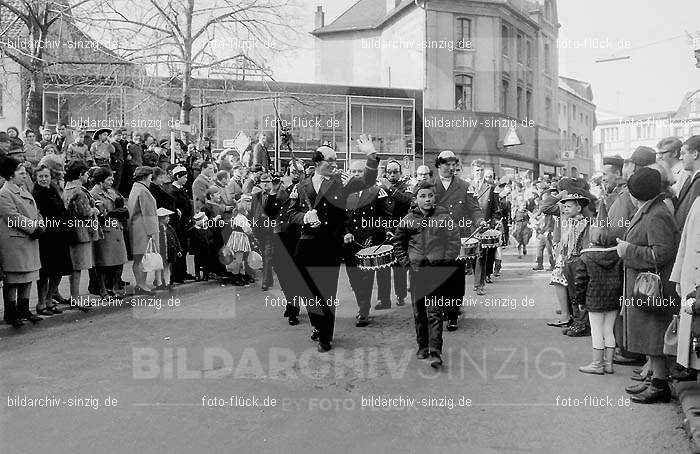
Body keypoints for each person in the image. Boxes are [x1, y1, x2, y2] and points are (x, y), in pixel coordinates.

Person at [287, 135, 380, 352]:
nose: (335, 165)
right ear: (318, 161)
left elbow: (368, 180)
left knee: (327, 293)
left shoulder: (341, 184)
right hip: (307, 245)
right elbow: (290, 214)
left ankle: (325, 336)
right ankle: (317, 325)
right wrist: (305, 217)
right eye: (331, 160)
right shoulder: (302, 186)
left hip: (329, 247)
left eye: (336, 161)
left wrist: (371, 155)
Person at [616, 167, 680, 403]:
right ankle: (653, 377)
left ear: (636, 194)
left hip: (653, 287)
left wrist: (627, 250)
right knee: (649, 334)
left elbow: (662, 252)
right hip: (646, 285)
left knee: (654, 335)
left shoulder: (657, 214)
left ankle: (659, 385)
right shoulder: (651, 209)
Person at [393, 181, 461, 369]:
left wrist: (444, 261)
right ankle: (422, 346)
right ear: (416, 199)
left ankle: (435, 351)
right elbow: (398, 242)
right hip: (416, 272)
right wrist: (406, 262)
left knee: (435, 312)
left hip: (436, 272)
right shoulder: (408, 219)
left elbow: (454, 241)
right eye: (422, 196)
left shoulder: (444, 217)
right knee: (419, 311)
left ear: (435, 197)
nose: (427, 199)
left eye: (430, 195)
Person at [433, 150, 484, 329]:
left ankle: (453, 313)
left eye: (453, 164)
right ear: (439, 164)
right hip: (435, 240)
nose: (451, 167)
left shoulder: (464, 186)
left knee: (455, 276)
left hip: (458, 238)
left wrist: (480, 220)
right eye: (447, 164)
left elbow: (474, 209)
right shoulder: (429, 185)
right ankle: (439, 309)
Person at [575, 205, 624, 375]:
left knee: (597, 331)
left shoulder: (586, 256)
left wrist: (580, 301)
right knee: (608, 330)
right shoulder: (618, 255)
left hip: (594, 299)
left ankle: (597, 364)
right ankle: (609, 364)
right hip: (613, 298)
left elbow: (580, 281)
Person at [0, 157, 44, 326]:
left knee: (28, 276)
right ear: (11, 175)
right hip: (15, 242)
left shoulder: (22, 189)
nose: (25, 176)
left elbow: (35, 210)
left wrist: (40, 222)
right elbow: (12, 217)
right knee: (13, 280)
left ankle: (24, 309)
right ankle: (11, 313)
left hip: (28, 240)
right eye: (21, 173)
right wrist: (35, 228)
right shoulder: (4, 193)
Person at [343, 161, 386, 326]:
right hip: (349, 241)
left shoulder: (376, 191)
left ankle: (363, 310)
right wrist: (345, 232)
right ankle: (362, 303)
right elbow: (338, 217)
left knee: (366, 276)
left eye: (359, 171)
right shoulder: (343, 193)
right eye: (352, 171)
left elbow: (385, 216)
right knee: (353, 277)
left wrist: (376, 237)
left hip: (369, 241)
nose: (356, 174)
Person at [32, 165, 71, 315]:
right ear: (36, 177)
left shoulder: (53, 189)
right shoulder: (35, 193)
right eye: (40, 176)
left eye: (46, 176)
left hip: (60, 235)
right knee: (45, 272)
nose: (43, 179)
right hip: (47, 237)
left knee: (59, 269)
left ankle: (50, 298)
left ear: (50, 177)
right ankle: (41, 303)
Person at [63, 161, 101, 310]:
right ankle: (75, 297)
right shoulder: (78, 190)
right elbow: (85, 212)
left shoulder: (67, 188)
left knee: (75, 266)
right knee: (77, 267)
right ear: (80, 174)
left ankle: (74, 296)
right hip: (81, 231)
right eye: (85, 173)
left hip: (73, 229)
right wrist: (95, 210)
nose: (87, 176)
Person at [375, 160, 412, 309]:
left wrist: (390, 188)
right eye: (389, 172)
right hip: (383, 231)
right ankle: (383, 299)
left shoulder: (406, 187)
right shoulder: (379, 188)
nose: (391, 174)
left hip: (401, 230)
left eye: (395, 171)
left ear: (400, 173)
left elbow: (407, 201)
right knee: (382, 267)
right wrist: (385, 229)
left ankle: (400, 295)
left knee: (399, 266)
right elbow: (376, 211)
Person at [90, 167, 129, 299]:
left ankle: (113, 287)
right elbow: (99, 212)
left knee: (119, 261)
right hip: (105, 230)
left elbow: (122, 204)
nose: (112, 181)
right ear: (101, 181)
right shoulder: (94, 194)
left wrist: (122, 210)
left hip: (117, 228)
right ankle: (103, 289)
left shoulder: (112, 192)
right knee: (103, 262)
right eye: (109, 179)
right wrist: (110, 213)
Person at [127, 166, 159, 295]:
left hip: (136, 226)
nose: (151, 180)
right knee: (142, 258)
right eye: (150, 178)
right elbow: (149, 213)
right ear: (145, 177)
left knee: (138, 258)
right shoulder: (143, 191)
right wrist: (153, 232)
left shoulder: (136, 188)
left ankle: (141, 284)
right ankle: (141, 285)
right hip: (143, 227)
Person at [470, 159, 501, 289]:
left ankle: (479, 284)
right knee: (471, 255)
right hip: (469, 226)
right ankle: (477, 278)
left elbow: (496, 210)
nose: (480, 172)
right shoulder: (467, 186)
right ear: (472, 171)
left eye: (482, 170)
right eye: (477, 170)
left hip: (484, 226)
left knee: (481, 255)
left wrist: (493, 221)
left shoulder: (491, 187)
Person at [164, 165, 194, 283]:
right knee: (179, 247)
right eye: (184, 177)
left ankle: (183, 272)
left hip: (185, 222)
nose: (186, 179)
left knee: (184, 248)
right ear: (177, 177)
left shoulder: (181, 189)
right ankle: (177, 274)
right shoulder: (173, 191)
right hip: (178, 224)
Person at [250, 173, 275, 290]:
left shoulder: (277, 196)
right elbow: (253, 212)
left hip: (271, 230)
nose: (265, 184)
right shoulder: (256, 196)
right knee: (265, 256)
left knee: (267, 254)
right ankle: (269, 279)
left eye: (268, 182)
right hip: (259, 229)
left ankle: (265, 282)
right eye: (263, 182)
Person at [226, 198, 253, 286]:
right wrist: (252, 233)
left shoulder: (236, 216)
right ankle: (235, 277)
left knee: (239, 259)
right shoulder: (243, 218)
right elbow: (247, 230)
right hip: (240, 238)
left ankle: (239, 275)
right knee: (239, 259)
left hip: (236, 237)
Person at [675, 136, 700, 229]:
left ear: (694, 154)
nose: (680, 158)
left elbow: (692, 217)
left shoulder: (698, 182)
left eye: (683, 153)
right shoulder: (689, 180)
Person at [155, 207, 182, 290]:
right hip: (160, 251)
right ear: (162, 218)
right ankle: (159, 283)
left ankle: (166, 282)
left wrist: (178, 250)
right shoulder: (156, 230)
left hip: (169, 251)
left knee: (167, 267)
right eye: (167, 216)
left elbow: (176, 239)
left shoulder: (170, 228)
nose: (169, 218)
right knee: (159, 268)